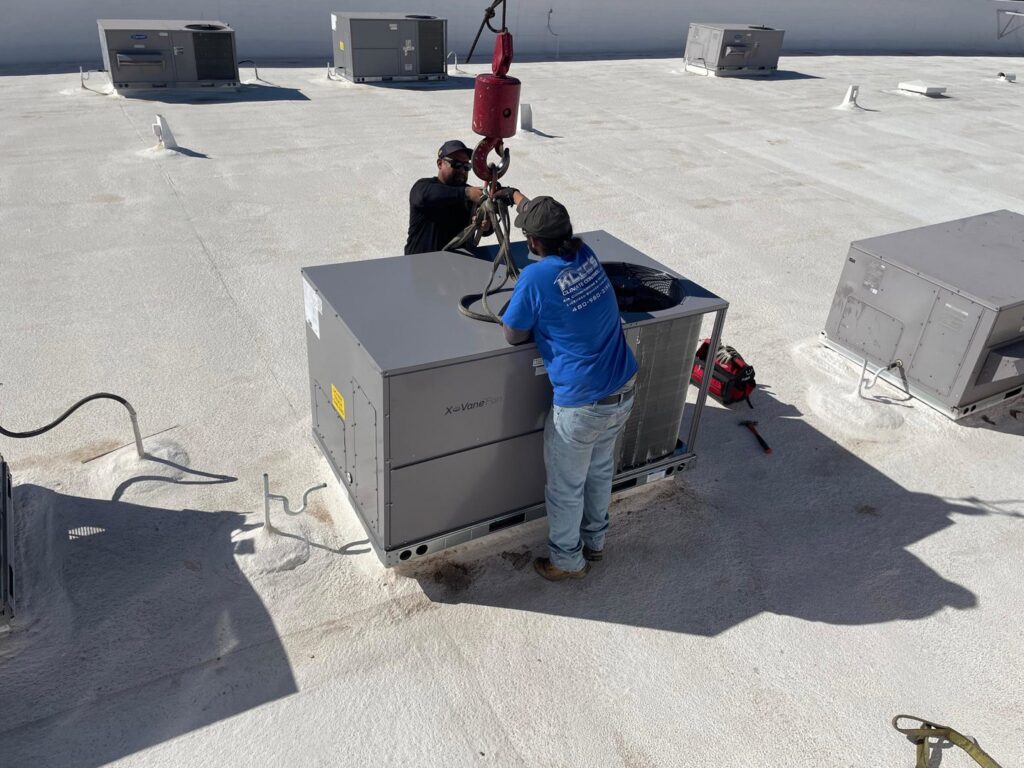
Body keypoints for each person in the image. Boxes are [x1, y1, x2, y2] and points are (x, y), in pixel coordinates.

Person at [500, 194, 638, 581]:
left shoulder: (535, 277)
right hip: (622, 390)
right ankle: (595, 544)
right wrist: (516, 197)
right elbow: (547, 224)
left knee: (566, 487)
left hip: (582, 406)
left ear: (533, 242)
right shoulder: (586, 254)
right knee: (598, 473)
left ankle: (566, 561)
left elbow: (512, 334)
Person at [405, 140, 488, 255]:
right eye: (456, 164)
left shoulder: (471, 195)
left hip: (459, 268)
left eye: (466, 166)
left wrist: (486, 225)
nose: (462, 170)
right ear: (440, 164)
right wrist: (466, 193)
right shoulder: (423, 187)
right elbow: (424, 196)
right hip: (421, 267)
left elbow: (487, 227)